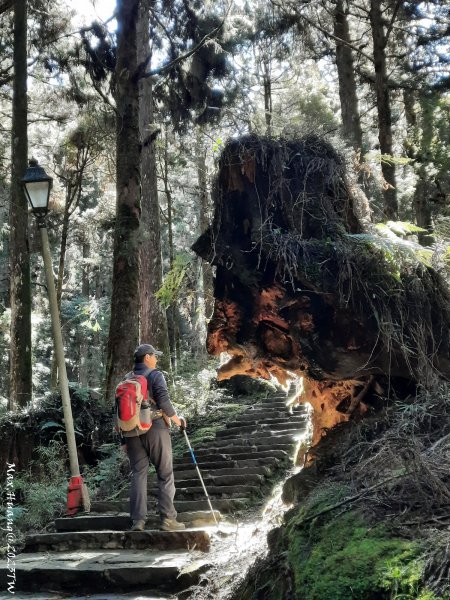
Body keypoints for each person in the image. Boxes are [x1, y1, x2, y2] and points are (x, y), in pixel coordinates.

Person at [119, 343, 187, 532]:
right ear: (147, 358)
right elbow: (163, 400)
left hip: (131, 432)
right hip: (155, 427)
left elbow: (118, 410)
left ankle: (138, 521)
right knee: (165, 473)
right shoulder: (155, 375)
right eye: (154, 356)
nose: (156, 359)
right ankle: (167, 520)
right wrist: (177, 420)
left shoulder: (127, 379)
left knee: (138, 474)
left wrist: (122, 440)